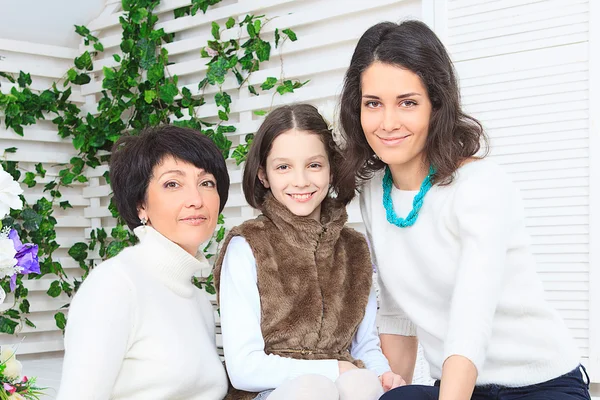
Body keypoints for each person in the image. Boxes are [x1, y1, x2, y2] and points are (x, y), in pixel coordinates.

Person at [337, 20, 591, 400]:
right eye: (373, 104)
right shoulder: (376, 193)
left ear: (436, 106)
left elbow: (470, 321)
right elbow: (396, 313)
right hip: (459, 389)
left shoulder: (480, 186)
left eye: (407, 103)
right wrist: (390, 387)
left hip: (539, 385)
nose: (388, 123)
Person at [213, 104, 404, 400]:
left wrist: (383, 376)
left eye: (314, 165)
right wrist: (334, 371)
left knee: (363, 384)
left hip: (343, 389)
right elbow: (243, 368)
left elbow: (365, 348)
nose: (301, 181)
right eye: (283, 167)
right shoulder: (246, 245)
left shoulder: (355, 249)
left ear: (331, 170)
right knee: (314, 390)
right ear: (264, 175)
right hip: (270, 393)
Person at [57, 126, 230, 399]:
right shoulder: (115, 286)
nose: (196, 200)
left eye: (206, 182)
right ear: (141, 205)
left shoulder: (198, 302)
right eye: (172, 184)